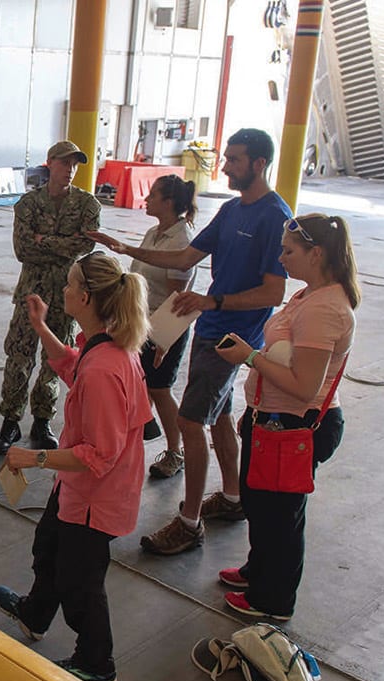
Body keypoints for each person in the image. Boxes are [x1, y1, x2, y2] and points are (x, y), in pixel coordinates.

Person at [89, 128, 290, 556]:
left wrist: (213, 300)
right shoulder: (232, 210)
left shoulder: (274, 216)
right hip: (210, 328)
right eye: (227, 158)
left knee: (190, 422)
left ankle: (189, 522)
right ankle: (232, 498)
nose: (226, 166)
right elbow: (184, 258)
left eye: (235, 159)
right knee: (219, 417)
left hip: (233, 337)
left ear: (259, 163)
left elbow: (274, 292)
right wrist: (124, 247)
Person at [0, 251, 151, 681]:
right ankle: (35, 613)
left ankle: (97, 661)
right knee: (49, 546)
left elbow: (98, 455)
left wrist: (32, 458)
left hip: (96, 496)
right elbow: (71, 365)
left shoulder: (105, 368)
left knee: (80, 580)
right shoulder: (104, 347)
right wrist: (41, 326)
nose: (64, 289)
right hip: (77, 488)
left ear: (85, 297)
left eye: (70, 284)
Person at [213, 214, 357, 621]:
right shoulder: (309, 295)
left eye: (288, 251)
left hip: (295, 425)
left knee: (279, 517)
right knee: (262, 505)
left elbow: (305, 386)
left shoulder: (324, 309)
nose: (281, 258)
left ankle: (273, 600)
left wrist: (250, 357)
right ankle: (258, 571)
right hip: (274, 419)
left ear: (316, 254)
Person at [0, 140, 102, 456]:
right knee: (19, 356)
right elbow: (23, 249)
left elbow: (85, 246)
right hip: (32, 292)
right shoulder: (28, 204)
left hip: (68, 296)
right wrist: (62, 243)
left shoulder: (88, 204)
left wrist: (44, 240)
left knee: (57, 359)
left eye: (74, 164)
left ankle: (42, 421)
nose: (70, 170)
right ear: (50, 162)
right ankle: (10, 421)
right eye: (64, 163)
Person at [129, 175, 199, 479]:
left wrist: (163, 340)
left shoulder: (182, 241)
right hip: (140, 322)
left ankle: (175, 451)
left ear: (168, 202)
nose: (147, 199)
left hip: (165, 327)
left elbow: (176, 300)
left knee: (159, 388)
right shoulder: (153, 233)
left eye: (153, 195)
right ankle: (135, 443)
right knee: (139, 385)